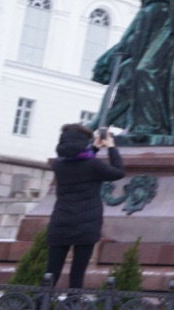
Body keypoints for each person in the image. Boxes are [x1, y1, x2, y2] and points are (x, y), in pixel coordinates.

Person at [45, 124, 126, 289]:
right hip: (86, 226)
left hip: (60, 223)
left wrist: (94, 147)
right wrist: (111, 147)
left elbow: (77, 158)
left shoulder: (58, 165)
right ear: (83, 142)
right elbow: (118, 172)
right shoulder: (93, 166)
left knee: (51, 273)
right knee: (77, 275)